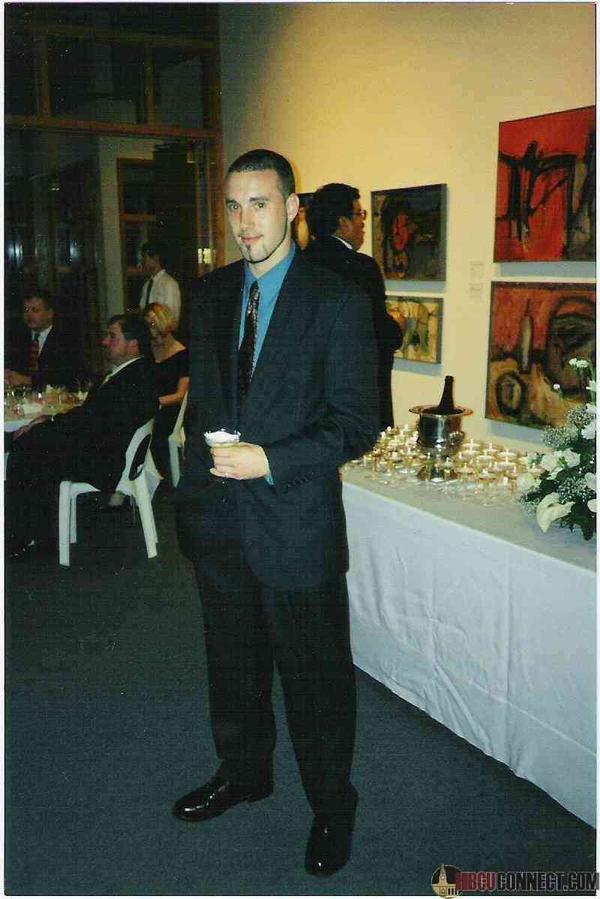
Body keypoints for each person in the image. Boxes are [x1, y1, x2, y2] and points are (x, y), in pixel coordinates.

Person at [173, 149, 379, 877]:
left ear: (292, 207)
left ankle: (331, 805)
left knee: (315, 680)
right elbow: (208, 400)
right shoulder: (210, 294)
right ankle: (244, 772)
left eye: (259, 204)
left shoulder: (338, 299)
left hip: (295, 524)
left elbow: (358, 423)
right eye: (233, 206)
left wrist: (272, 458)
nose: (244, 222)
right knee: (233, 666)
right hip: (220, 520)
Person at [5, 313, 158, 559]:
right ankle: (34, 533)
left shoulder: (132, 378)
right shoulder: (134, 372)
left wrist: (49, 425)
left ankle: (21, 537)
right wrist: (49, 421)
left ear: (133, 344)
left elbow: (94, 423)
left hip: (104, 460)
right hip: (105, 448)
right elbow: (93, 417)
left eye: (112, 337)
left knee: (25, 447)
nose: (105, 342)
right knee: (34, 442)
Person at [305, 183, 404, 429]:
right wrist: (398, 326)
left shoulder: (298, 263)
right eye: (359, 214)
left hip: (308, 397)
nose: (363, 223)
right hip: (355, 395)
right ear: (343, 222)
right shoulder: (361, 267)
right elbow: (380, 333)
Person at [144, 302, 189, 479]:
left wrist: (156, 402)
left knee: (158, 430)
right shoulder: (148, 351)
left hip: (170, 410)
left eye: (153, 324)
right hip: (150, 407)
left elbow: (181, 395)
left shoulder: (183, 354)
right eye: (148, 325)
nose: (151, 329)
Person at [5, 290, 81, 390]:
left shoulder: (66, 340)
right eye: (26, 310)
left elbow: (66, 378)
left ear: (49, 314)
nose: (29, 315)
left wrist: (28, 381)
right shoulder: (16, 339)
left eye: (35, 310)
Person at [138, 240, 181, 324]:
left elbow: (173, 316)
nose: (143, 262)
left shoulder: (169, 284)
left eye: (145, 257)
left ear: (155, 258)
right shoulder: (147, 285)